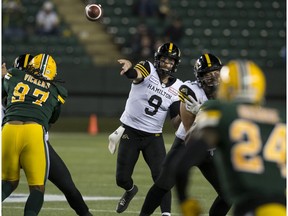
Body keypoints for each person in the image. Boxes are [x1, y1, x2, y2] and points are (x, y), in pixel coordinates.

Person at [175, 60, 286, 216]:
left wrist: (184, 200)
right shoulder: (281, 117)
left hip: (251, 208)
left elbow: (184, 162)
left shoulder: (220, 113)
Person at [2, 54, 93, 216]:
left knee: (8, 182)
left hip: (8, 132)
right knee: (39, 188)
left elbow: (8, 85)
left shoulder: (12, 76)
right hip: (34, 135)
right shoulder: (56, 90)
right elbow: (52, 118)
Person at [139, 53, 231, 216]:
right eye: (207, 74)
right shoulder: (191, 90)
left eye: (216, 72)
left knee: (228, 193)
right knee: (163, 184)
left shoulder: (228, 92)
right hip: (186, 144)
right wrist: (205, 115)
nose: (213, 77)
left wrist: (206, 110)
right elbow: (190, 132)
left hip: (211, 149)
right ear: (199, 76)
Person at [115, 42, 183, 215]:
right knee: (121, 179)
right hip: (130, 131)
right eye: (163, 59)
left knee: (162, 178)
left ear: (175, 64)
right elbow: (136, 75)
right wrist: (129, 70)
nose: (166, 64)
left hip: (153, 136)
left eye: (170, 61)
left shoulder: (178, 87)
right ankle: (130, 190)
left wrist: (188, 115)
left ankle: (166, 214)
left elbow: (176, 120)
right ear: (157, 59)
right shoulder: (148, 68)